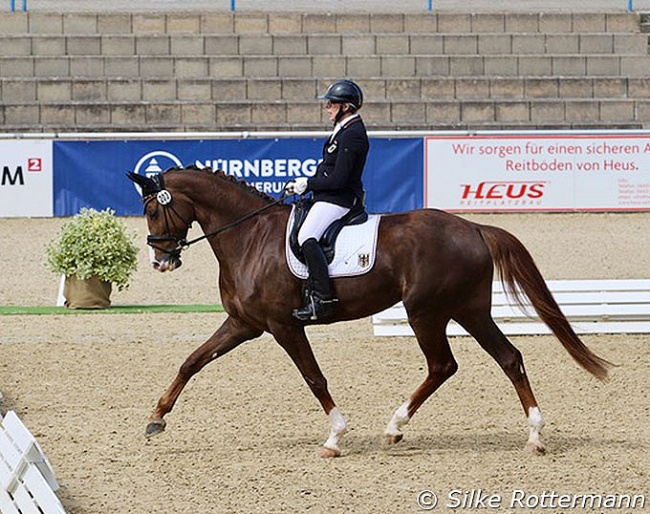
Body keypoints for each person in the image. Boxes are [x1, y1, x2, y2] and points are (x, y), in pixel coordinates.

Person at [285, 79, 369, 321]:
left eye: (332, 103)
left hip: (340, 199)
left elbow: (339, 179)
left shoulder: (353, 134)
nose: (327, 106)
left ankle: (323, 299)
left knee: (306, 237)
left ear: (346, 106)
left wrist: (308, 184)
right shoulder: (342, 129)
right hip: (329, 196)